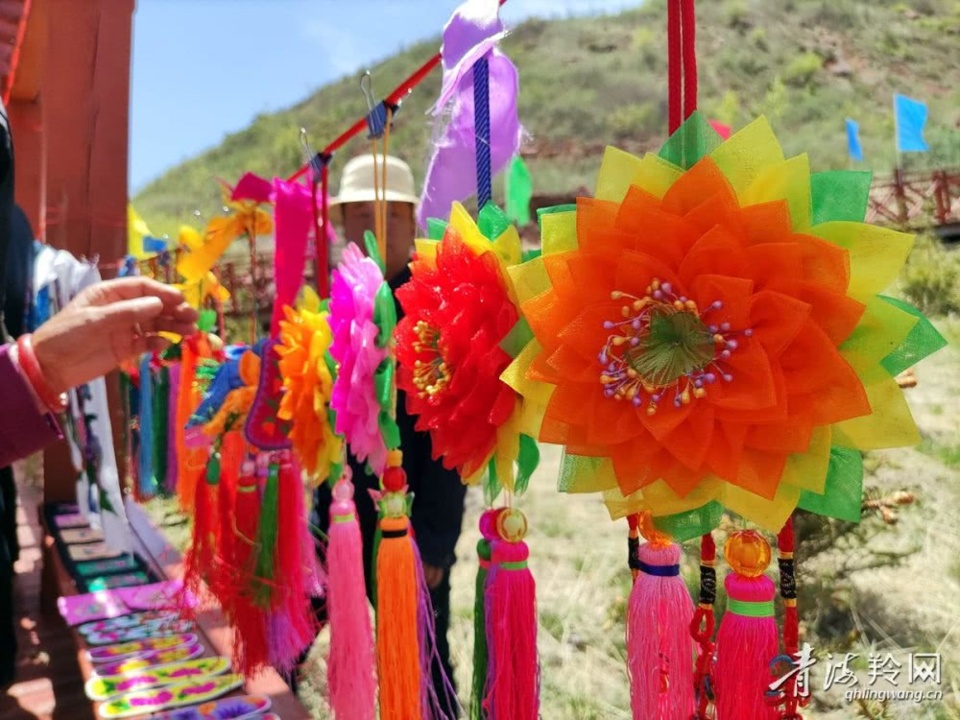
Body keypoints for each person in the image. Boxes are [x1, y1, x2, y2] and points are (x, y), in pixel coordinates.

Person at [302, 154, 467, 712]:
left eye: (392, 216)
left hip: (413, 525)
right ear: (342, 222)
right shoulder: (338, 303)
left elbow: (449, 440)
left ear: (412, 221)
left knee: (422, 650)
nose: (374, 228)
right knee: (305, 611)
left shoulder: (430, 306)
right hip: (343, 516)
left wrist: (439, 538)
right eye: (359, 215)